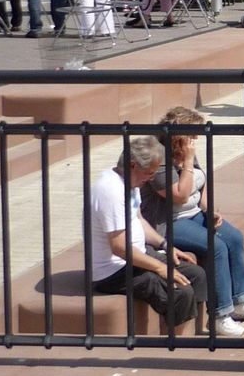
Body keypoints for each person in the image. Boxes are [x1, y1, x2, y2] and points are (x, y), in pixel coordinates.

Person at [144, 107, 244, 337]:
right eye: (192, 136)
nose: (196, 140)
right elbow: (179, 195)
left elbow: (202, 184)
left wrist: (209, 209)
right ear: (180, 136)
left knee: (233, 237)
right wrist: (189, 160)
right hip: (169, 222)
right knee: (217, 247)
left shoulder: (185, 150)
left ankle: (240, 299)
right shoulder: (160, 158)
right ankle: (220, 316)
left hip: (194, 214)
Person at [89, 135, 208, 333]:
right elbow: (119, 248)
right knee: (180, 290)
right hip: (114, 271)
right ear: (133, 165)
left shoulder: (131, 183)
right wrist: (160, 268)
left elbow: (140, 221)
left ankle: (193, 334)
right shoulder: (110, 191)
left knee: (196, 274)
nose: (150, 179)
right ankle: (173, 346)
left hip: (138, 255)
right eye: (149, 173)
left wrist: (165, 246)